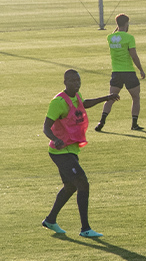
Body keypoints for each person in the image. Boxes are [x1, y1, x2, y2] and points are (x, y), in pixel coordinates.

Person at [42, 69, 120, 237]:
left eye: (78, 81)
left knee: (70, 186)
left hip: (71, 149)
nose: (76, 84)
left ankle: (50, 220)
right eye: (72, 81)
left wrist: (106, 98)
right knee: (83, 183)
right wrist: (55, 139)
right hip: (60, 152)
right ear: (65, 82)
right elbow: (46, 127)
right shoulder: (58, 102)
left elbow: (85, 103)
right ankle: (85, 229)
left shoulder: (76, 96)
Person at [95, 13, 146, 132]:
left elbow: (114, 34)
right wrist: (141, 69)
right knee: (136, 97)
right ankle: (134, 124)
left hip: (116, 73)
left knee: (110, 98)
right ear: (127, 24)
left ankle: (101, 122)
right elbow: (134, 56)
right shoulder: (129, 38)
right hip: (128, 72)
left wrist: (118, 28)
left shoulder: (110, 38)